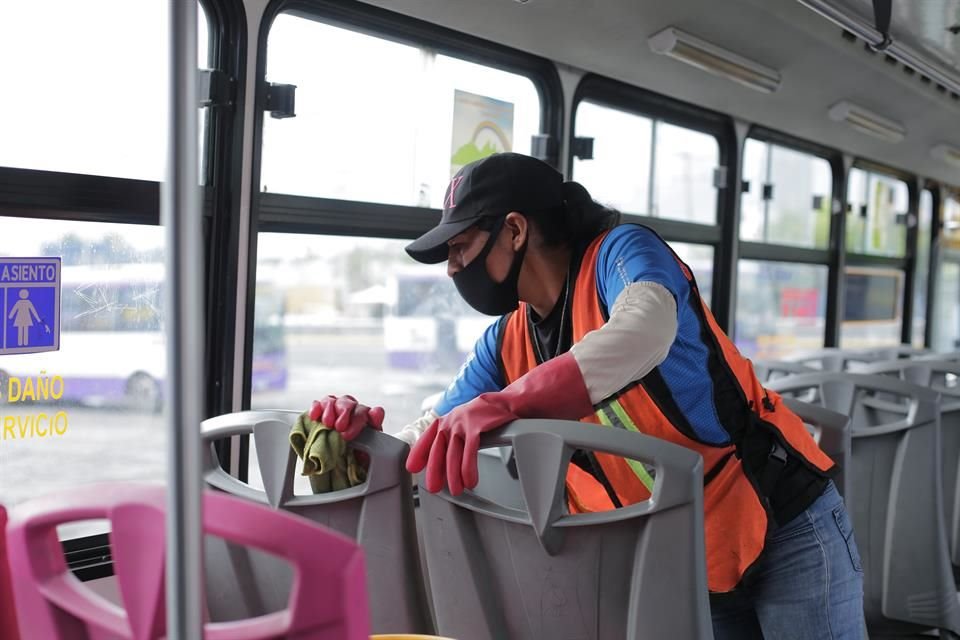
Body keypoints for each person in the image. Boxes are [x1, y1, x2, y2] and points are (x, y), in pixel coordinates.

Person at [310, 152, 865, 638]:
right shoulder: (507, 342)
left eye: (460, 247)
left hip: (783, 521)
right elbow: (432, 433)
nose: (453, 268)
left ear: (515, 230)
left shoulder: (623, 253)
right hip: (682, 554)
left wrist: (509, 402)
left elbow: (645, 327)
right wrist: (362, 441)